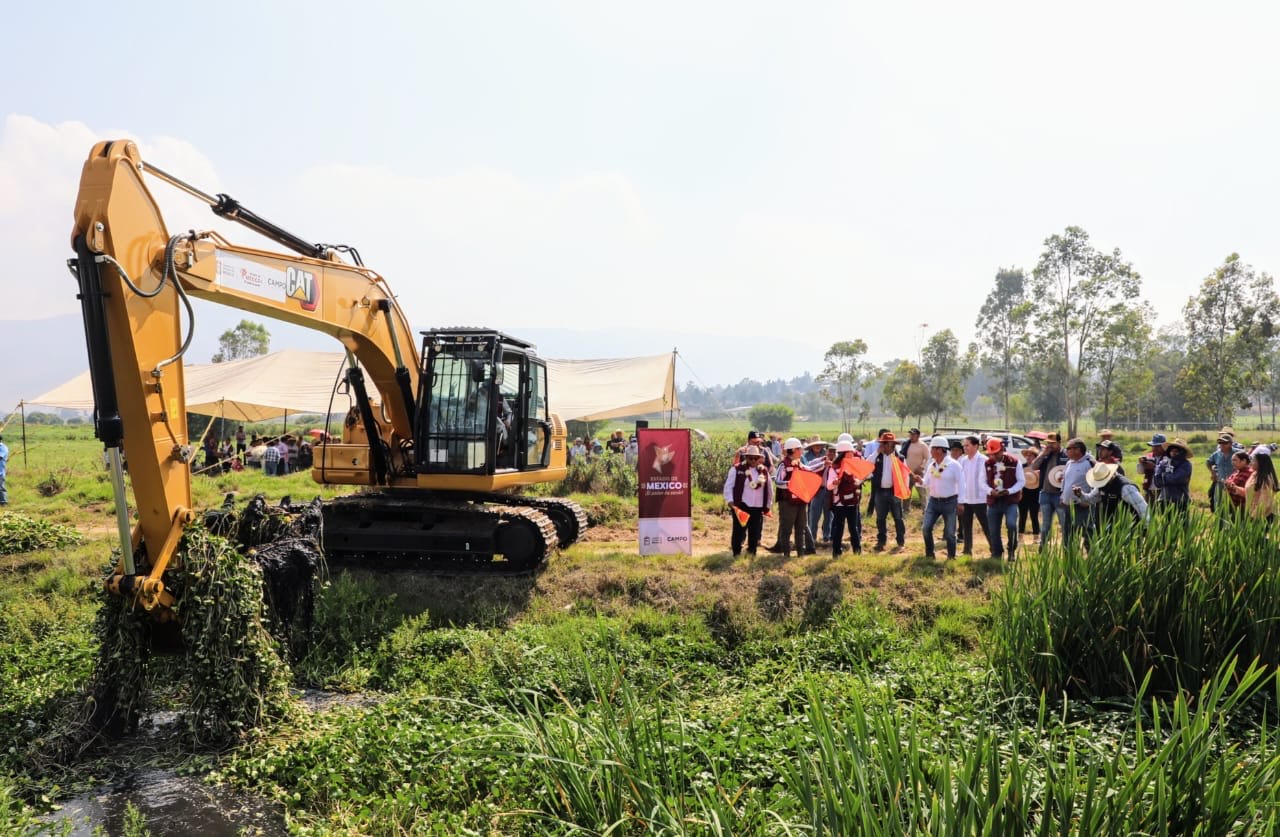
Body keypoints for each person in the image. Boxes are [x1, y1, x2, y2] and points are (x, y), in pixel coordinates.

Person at [723, 445, 773, 557]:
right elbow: (728, 487)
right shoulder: (737, 469)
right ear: (746, 457)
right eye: (751, 458)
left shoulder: (763, 471)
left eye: (756, 458)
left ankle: (751, 554)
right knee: (739, 531)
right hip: (742, 505)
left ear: (759, 458)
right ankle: (736, 554)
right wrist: (730, 500)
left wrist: (768, 504)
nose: (753, 460)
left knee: (754, 532)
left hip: (757, 506)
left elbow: (769, 489)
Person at [919, 435, 964, 559]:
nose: (931, 451)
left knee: (950, 533)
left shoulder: (954, 465)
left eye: (933, 448)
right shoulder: (932, 465)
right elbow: (926, 482)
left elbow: (962, 484)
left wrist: (961, 502)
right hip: (933, 501)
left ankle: (951, 556)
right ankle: (930, 555)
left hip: (950, 502)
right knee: (926, 528)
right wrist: (919, 480)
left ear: (940, 450)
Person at [1075, 461, 1149, 535]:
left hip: (1129, 527)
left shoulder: (1125, 487)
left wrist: (1146, 528)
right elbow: (1091, 499)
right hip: (1111, 526)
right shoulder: (1101, 486)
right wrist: (1081, 495)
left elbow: (1143, 509)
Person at [772, 438, 815, 557]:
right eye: (799, 449)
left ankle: (800, 553)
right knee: (787, 528)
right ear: (793, 450)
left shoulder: (800, 463)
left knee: (801, 528)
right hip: (787, 502)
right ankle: (786, 553)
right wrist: (790, 484)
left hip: (800, 500)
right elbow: (778, 481)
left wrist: (823, 463)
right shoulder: (783, 465)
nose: (801, 451)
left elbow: (810, 470)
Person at [866, 431, 907, 553]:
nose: (886, 446)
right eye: (884, 443)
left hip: (894, 491)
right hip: (880, 491)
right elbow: (867, 464)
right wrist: (876, 452)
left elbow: (905, 475)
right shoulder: (877, 456)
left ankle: (901, 541)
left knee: (898, 517)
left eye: (889, 444)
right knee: (880, 518)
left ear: (893, 445)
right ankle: (881, 541)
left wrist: (903, 491)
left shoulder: (899, 458)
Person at [983, 438, 1025, 560]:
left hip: (1010, 501)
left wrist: (1009, 491)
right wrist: (990, 491)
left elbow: (1021, 481)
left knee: (1011, 525)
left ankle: (1011, 550)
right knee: (993, 529)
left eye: (996, 453)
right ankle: (997, 553)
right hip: (993, 501)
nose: (994, 456)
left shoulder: (1014, 462)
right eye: (991, 454)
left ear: (1002, 450)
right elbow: (981, 482)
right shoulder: (987, 464)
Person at [825, 440, 864, 557]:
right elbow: (829, 486)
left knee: (853, 528)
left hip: (852, 502)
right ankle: (836, 552)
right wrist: (835, 483)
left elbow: (860, 478)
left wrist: (857, 482)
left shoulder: (854, 465)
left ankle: (857, 551)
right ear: (844, 453)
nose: (853, 453)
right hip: (839, 504)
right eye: (850, 452)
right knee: (839, 528)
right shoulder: (834, 468)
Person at [957, 436, 989, 556]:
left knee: (986, 525)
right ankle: (967, 550)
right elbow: (960, 480)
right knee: (966, 526)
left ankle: (995, 549)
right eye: (964, 446)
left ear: (976, 446)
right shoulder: (962, 461)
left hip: (980, 499)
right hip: (966, 499)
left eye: (967, 445)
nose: (965, 448)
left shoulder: (984, 460)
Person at [1058, 437, 1094, 547]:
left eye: (1068, 448)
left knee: (1087, 532)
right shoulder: (1069, 463)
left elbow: (1095, 484)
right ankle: (1069, 555)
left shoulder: (1089, 463)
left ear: (1077, 450)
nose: (1066, 451)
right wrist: (1062, 495)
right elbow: (1065, 480)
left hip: (1082, 505)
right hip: (1068, 504)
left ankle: (1091, 554)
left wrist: (1088, 501)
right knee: (1068, 533)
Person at [803, 437, 832, 544]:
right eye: (815, 445)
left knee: (829, 515)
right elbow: (808, 468)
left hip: (829, 490)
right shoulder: (807, 456)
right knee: (814, 515)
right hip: (816, 490)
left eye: (819, 445)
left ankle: (826, 537)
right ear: (811, 446)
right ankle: (812, 538)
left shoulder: (830, 457)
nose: (818, 446)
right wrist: (822, 463)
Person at [1153, 438, 1193, 510]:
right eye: (1171, 451)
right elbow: (1157, 481)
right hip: (1164, 499)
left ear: (1182, 452)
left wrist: (1163, 476)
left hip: (1180, 500)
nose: (1173, 453)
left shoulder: (1186, 465)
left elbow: (1176, 479)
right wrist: (1166, 477)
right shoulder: (1163, 463)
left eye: (1176, 451)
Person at [1244, 447, 1278, 523]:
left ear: (1261, 463)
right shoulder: (1255, 474)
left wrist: (1253, 517)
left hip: (1263, 516)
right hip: (1253, 512)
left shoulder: (1266, 479)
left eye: (1253, 460)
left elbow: (1264, 502)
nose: (1250, 463)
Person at [900, 428, 930, 513]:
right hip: (907, 472)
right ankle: (905, 509)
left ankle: (926, 510)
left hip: (918, 473)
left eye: (913, 434)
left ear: (918, 435)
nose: (911, 436)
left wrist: (921, 467)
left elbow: (927, 458)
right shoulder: (907, 444)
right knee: (907, 492)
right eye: (910, 434)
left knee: (922, 493)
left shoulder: (922, 445)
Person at [1206, 433, 1236, 513]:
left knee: (1233, 507)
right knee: (1218, 506)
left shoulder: (1237, 453)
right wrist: (1213, 473)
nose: (1222, 445)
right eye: (1220, 443)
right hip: (1220, 483)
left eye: (1225, 443)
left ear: (1230, 444)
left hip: (1235, 484)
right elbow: (1208, 462)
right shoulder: (1216, 454)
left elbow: (1248, 462)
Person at [1018, 446, 1041, 539]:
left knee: (1034, 516)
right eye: (1027, 455)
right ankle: (1020, 537)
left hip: (1035, 494)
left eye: (1031, 455)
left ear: (1035, 457)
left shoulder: (1039, 467)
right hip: (1023, 493)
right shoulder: (1021, 466)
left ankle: (1036, 536)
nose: (1028, 457)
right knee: (1022, 516)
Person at [1138, 433, 1167, 504]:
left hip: (1162, 490)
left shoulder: (1168, 457)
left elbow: (1168, 473)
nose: (1154, 448)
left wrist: (1154, 467)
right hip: (1148, 488)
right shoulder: (1149, 456)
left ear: (1164, 446)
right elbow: (1140, 472)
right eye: (1153, 446)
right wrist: (1141, 463)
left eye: (1157, 446)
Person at [0, 433, 8, 505]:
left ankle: (3, 502)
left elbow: (0, 457)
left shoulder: (3, 447)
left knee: (1, 487)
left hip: (0, 472)